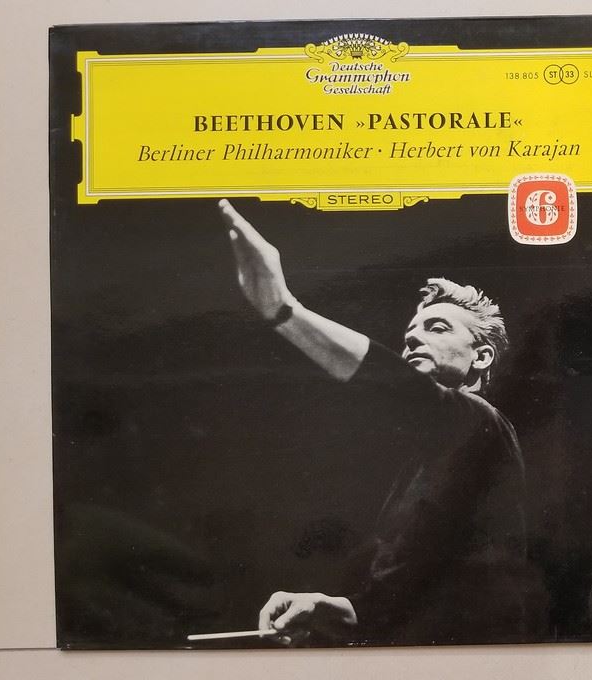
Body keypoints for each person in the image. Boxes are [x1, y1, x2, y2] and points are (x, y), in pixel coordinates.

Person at [218, 199, 538, 645]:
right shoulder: (421, 468)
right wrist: (321, 608)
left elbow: (398, 384)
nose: (413, 341)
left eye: (437, 328)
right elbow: (391, 601)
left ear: (481, 356)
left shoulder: (482, 422)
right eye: (409, 337)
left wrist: (282, 309)